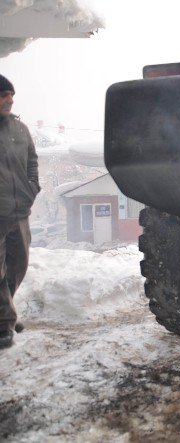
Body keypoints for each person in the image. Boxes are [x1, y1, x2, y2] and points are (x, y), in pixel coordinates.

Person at [0, 74, 40, 350]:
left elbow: (32, 163)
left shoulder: (21, 129)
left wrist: (31, 188)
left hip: (19, 211)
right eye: (4, 95)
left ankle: (5, 310)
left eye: (11, 95)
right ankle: (4, 322)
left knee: (18, 265)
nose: (10, 100)